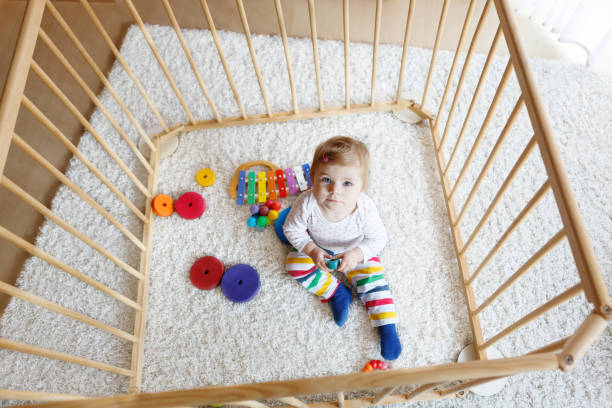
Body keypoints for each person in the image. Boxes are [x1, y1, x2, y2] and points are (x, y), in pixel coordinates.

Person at [283, 136, 402, 360]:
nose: (335, 190)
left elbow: (378, 239)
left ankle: (386, 326)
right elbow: (292, 229)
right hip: (320, 249)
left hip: (355, 251)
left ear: (361, 187)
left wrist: (357, 254)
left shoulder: (364, 209)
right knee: (293, 265)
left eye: (347, 183)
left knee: (374, 282)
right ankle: (337, 292)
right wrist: (311, 250)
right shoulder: (306, 203)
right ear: (312, 178)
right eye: (326, 179)